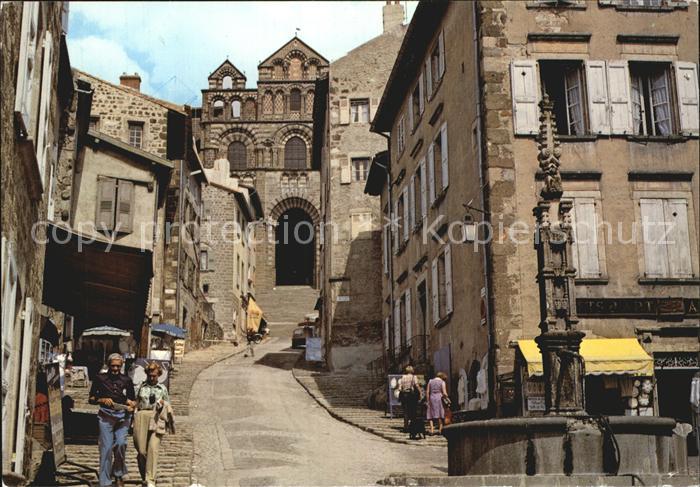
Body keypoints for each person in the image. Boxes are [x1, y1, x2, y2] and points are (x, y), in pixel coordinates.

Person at [88, 353, 136, 487]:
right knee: (106, 448)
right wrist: (101, 399)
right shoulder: (100, 378)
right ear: (108, 365)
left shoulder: (126, 380)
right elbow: (91, 399)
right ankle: (105, 481)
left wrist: (131, 404)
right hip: (106, 416)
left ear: (121, 366)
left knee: (121, 444)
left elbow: (133, 400)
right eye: (113, 366)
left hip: (123, 417)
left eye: (118, 366)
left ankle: (119, 473)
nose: (115, 369)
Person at [133, 362, 170, 487]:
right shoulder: (140, 387)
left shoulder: (162, 389)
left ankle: (151, 479)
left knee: (153, 449)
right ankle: (145, 475)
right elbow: (135, 403)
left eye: (154, 375)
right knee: (142, 451)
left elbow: (168, 406)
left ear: (158, 375)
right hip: (142, 416)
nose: (152, 378)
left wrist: (162, 405)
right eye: (150, 375)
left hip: (156, 417)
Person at [398, 365, 422, 433]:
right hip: (411, 396)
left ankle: (405, 427)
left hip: (404, 396)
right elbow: (417, 385)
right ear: (412, 370)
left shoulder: (403, 377)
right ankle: (413, 427)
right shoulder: (414, 377)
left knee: (405, 412)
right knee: (412, 411)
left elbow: (400, 388)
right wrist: (420, 392)